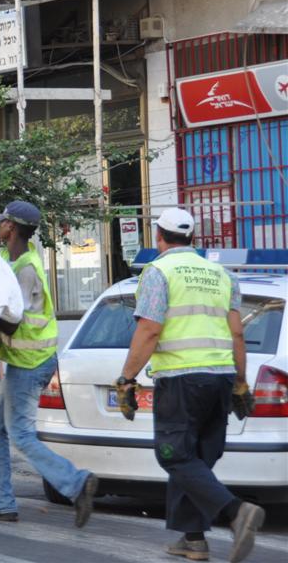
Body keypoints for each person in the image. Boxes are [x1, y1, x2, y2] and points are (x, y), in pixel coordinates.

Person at [116, 208, 264, 562]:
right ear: (193, 238)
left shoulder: (159, 271)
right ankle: (193, 539)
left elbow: (149, 330)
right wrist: (240, 382)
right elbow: (237, 333)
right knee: (197, 459)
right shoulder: (221, 274)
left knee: (174, 455)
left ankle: (237, 512)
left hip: (181, 379)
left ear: (159, 236)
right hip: (220, 378)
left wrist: (126, 378)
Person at [0, 200, 97, 526]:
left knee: (20, 434)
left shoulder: (26, 269)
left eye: (3, 222)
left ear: (11, 227)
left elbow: (10, 322)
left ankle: (77, 483)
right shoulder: (15, 259)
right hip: (27, 361)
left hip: (31, 364)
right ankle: (0, 504)